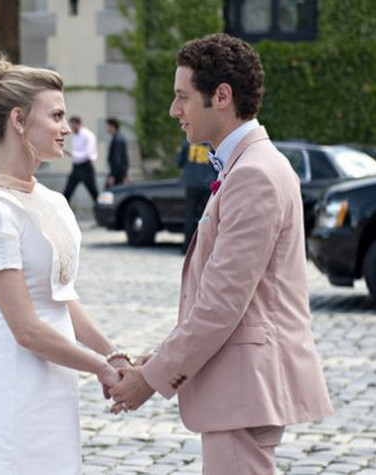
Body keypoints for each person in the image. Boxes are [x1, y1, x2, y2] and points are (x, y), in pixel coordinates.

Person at [109, 33, 333, 474]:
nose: (174, 110)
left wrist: (150, 380)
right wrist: (157, 358)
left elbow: (221, 304)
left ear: (222, 96)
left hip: (242, 390)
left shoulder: (254, 174)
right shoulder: (249, 166)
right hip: (241, 389)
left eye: (183, 97)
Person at [0, 59, 130, 474]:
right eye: (55, 116)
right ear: (19, 120)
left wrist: (114, 353)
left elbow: (63, 298)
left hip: (57, 382)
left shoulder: (53, 201)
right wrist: (100, 368)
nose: (66, 128)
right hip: (17, 386)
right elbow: (26, 330)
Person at [176, 139, 216, 253]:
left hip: (191, 183)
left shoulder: (187, 144)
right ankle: (207, 246)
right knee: (208, 216)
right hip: (208, 184)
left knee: (189, 215)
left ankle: (187, 246)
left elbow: (179, 162)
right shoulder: (212, 144)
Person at [62, 116, 99, 202]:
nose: (71, 128)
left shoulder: (88, 135)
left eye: (73, 125)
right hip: (76, 167)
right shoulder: (75, 135)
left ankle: (102, 209)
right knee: (68, 191)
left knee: (94, 193)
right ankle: (62, 210)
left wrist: (73, 154)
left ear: (79, 124)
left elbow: (89, 154)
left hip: (86, 167)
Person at [105, 117, 129, 188]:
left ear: (112, 127)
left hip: (117, 174)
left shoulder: (117, 140)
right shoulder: (118, 138)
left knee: (108, 193)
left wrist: (113, 175)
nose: (106, 128)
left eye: (108, 126)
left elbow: (117, 159)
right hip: (119, 173)